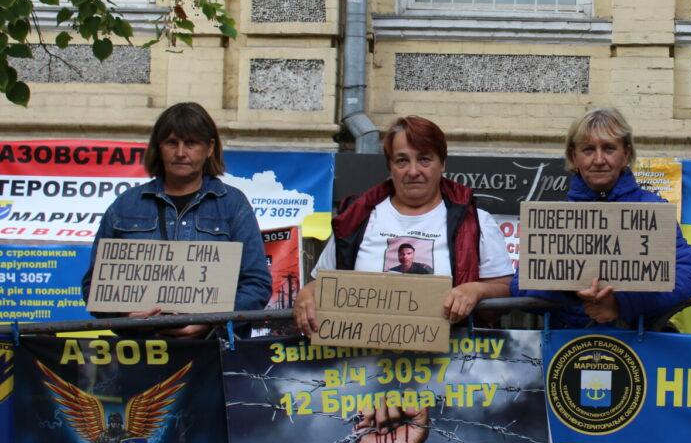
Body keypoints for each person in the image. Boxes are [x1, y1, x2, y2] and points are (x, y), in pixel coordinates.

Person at [293, 115, 513, 332]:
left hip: (453, 354)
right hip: (364, 354)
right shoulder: (357, 218)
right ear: (390, 166)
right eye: (402, 161)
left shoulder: (475, 221)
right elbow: (321, 284)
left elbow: (504, 292)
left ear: (442, 163)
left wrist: (477, 291)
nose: (413, 171)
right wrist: (306, 294)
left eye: (424, 159)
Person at [509, 108, 691, 328]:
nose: (598, 159)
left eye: (609, 148)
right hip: (569, 341)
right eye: (588, 149)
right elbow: (520, 285)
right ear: (574, 156)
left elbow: (688, 275)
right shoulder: (555, 219)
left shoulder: (653, 210)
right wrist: (570, 289)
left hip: (638, 339)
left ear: (626, 154)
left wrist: (620, 304)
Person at [81, 102, 271, 335]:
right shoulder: (125, 205)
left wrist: (209, 322)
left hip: (212, 349)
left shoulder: (233, 204)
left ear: (210, 148)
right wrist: (124, 316)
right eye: (172, 143)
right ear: (159, 147)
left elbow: (256, 284)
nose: (181, 152)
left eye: (191, 143)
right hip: (142, 349)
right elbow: (93, 286)